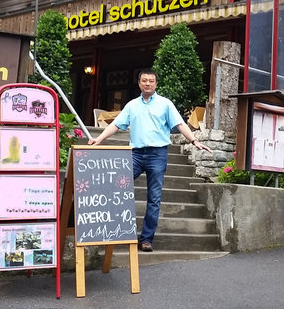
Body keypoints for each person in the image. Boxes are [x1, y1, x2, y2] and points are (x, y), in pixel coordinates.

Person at [87, 69, 211, 252]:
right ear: (139, 83)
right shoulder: (131, 105)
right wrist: (99, 139)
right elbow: (115, 124)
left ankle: (146, 239)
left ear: (156, 84)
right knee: (116, 189)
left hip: (158, 155)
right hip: (135, 155)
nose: (147, 83)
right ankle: (115, 230)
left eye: (151, 81)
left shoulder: (165, 104)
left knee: (154, 198)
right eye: (144, 80)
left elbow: (180, 123)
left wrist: (194, 140)